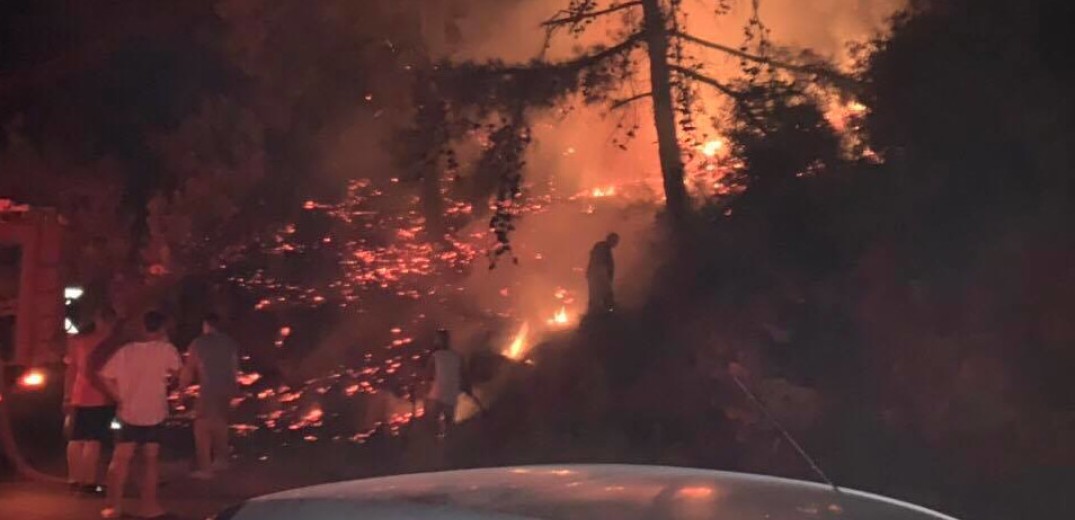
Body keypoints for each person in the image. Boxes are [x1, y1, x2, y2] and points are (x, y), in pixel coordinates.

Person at [99, 311, 181, 519]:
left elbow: (105, 376)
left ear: (143, 327)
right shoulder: (167, 350)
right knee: (151, 460)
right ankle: (150, 506)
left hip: (129, 412)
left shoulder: (126, 351)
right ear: (162, 328)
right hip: (155, 412)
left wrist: (119, 397)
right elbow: (177, 372)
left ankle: (113, 506)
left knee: (121, 459)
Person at [63, 307, 118, 496]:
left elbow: (71, 370)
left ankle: (74, 478)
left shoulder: (79, 341)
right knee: (93, 440)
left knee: (76, 438)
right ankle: (88, 482)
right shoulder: (108, 344)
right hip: (100, 396)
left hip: (79, 395)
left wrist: (67, 395)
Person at [180, 313, 239, 479]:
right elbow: (234, 367)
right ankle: (222, 459)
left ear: (206, 325)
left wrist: (182, 391)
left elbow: (189, 369)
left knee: (201, 427)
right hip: (226, 390)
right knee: (220, 424)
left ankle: (205, 469)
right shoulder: (229, 342)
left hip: (208, 390)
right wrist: (234, 390)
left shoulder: (198, 343)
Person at [425, 329, 463, 438]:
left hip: (437, 395)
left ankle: (433, 443)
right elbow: (463, 376)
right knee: (449, 426)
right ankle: (446, 444)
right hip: (451, 396)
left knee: (431, 422)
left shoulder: (435, 356)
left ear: (439, 341)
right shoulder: (458, 356)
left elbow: (427, 375)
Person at [586, 232, 620, 314]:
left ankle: (596, 314)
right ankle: (605, 314)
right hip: (598, 276)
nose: (616, 243)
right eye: (615, 241)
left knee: (597, 296)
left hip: (596, 276)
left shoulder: (604, 248)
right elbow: (599, 264)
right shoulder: (602, 247)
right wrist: (605, 279)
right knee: (602, 295)